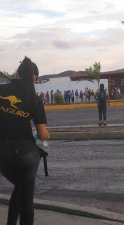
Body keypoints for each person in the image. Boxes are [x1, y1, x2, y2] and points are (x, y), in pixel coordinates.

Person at [0, 57, 50, 225]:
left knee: (20, 189)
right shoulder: (35, 99)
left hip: (2, 153)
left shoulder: (2, 89)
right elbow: (43, 134)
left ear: (18, 73)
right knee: (26, 198)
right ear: (34, 77)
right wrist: (40, 135)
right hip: (24, 152)